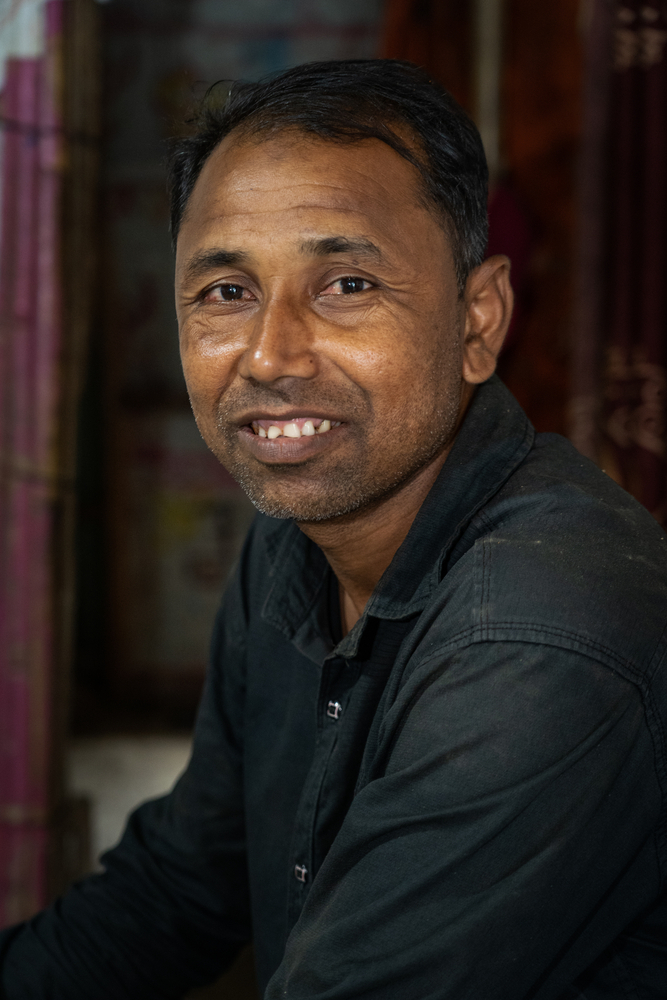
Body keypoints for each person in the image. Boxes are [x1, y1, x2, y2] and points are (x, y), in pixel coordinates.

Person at [1, 59, 666, 1000]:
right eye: (226, 292)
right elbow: (182, 888)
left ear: (478, 322)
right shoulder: (298, 538)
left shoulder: (537, 634)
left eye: (347, 283)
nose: (270, 355)